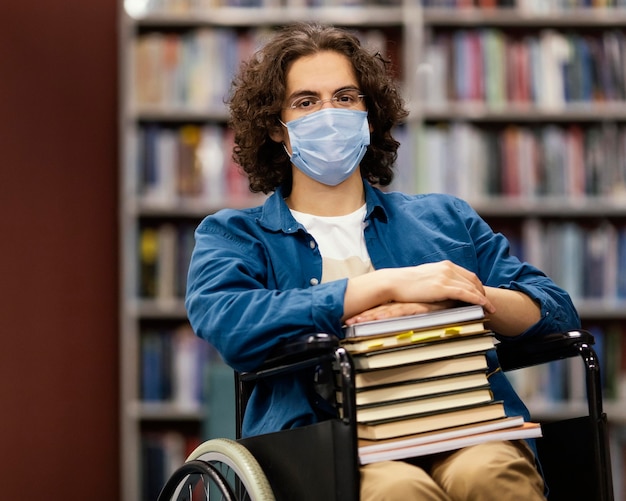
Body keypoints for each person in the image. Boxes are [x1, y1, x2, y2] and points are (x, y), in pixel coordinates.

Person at [185, 22, 580, 500]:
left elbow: (555, 310)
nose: (329, 113)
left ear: (369, 116)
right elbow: (230, 323)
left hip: (461, 425)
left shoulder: (445, 219)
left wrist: (459, 297)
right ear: (275, 126)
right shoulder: (235, 235)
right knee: (397, 490)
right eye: (307, 102)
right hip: (326, 441)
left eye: (346, 97)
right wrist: (383, 288)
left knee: (491, 473)